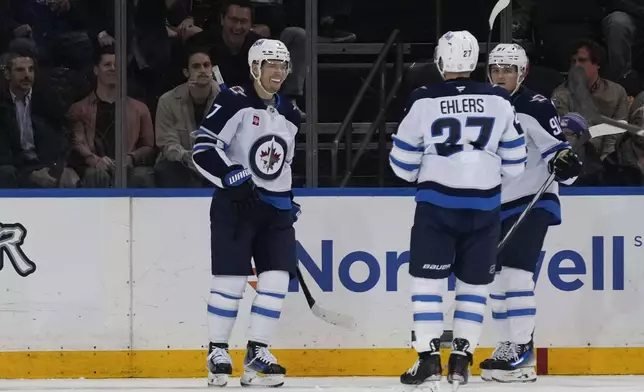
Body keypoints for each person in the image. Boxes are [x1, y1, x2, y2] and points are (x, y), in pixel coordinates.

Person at [390, 30, 528, 389]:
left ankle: (428, 360)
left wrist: (434, 166)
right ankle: (461, 363)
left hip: (437, 206)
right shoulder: (499, 100)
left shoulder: (423, 100)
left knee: (427, 283)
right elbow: (516, 163)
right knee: (474, 286)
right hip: (484, 207)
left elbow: (401, 165)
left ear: (440, 60)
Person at [191, 38, 302, 388]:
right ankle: (218, 351)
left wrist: (288, 196)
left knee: (276, 280)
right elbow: (204, 148)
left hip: (276, 209)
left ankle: (257, 352)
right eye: (271, 64)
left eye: (283, 66)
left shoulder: (290, 113)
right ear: (255, 67)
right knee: (231, 280)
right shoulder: (232, 100)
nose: (278, 72)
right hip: (235, 205)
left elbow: (283, 162)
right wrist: (229, 174)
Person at [479, 43, 583, 383]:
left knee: (516, 274)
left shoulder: (535, 106)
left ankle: (522, 344)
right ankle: (510, 347)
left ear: (521, 73)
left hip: (531, 201)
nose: (501, 76)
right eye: (496, 69)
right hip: (494, 204)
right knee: (494, 278)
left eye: (508, 70)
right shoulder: (483, 106)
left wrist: (565, 162)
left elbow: (562, 163)